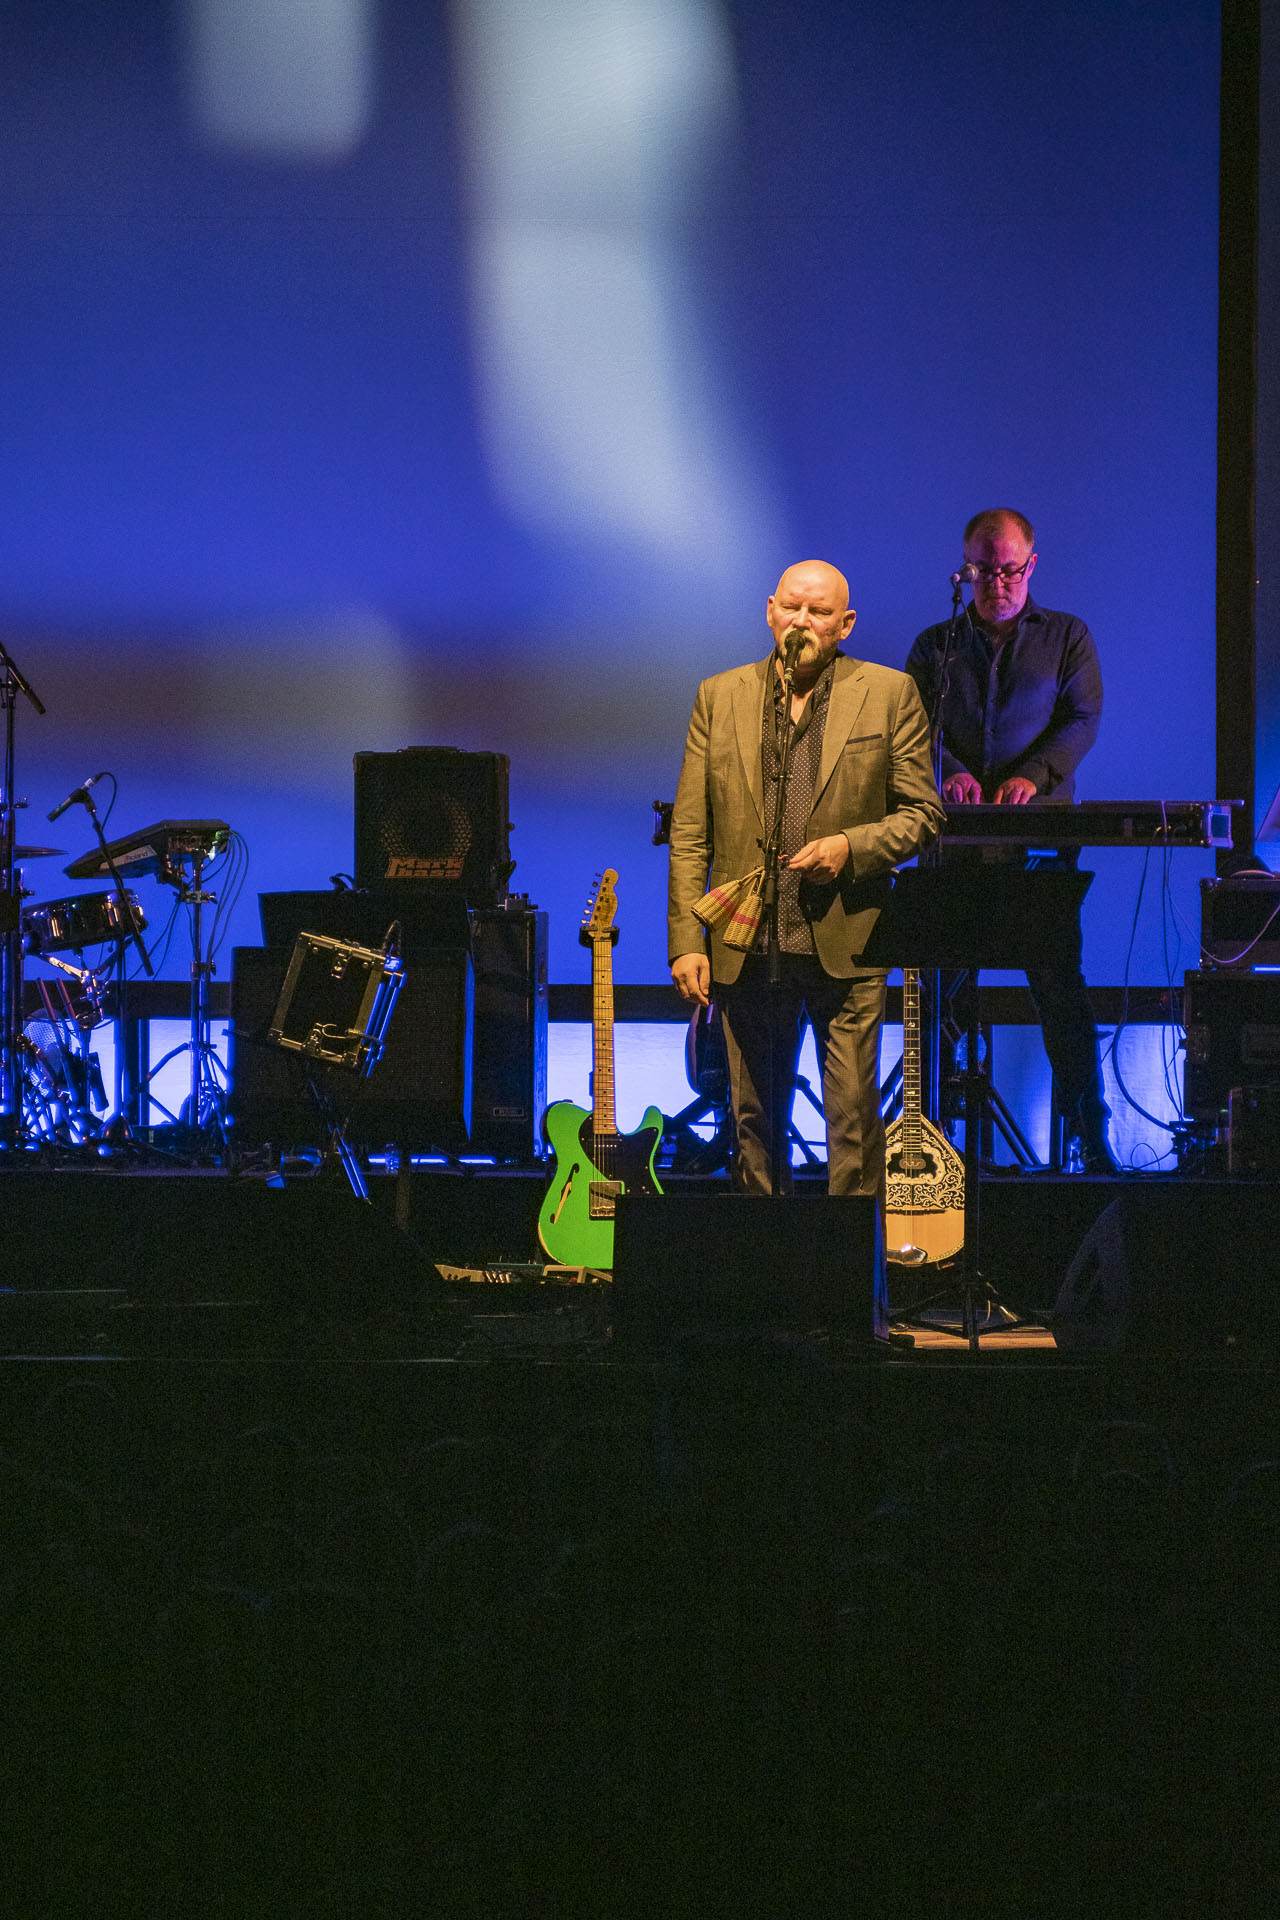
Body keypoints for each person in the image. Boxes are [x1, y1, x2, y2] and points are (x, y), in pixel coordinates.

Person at [667, 558, 945, 1200]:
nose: (802, 621)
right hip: (746, 944)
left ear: (844, 624)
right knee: (753, 1122)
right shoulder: (719, 695)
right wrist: (687, 939)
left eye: (819, 612)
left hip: (845, 939)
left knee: (852, 1125)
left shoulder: (889, 692)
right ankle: (767, 1281)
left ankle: (849, 1282)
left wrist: (850, 847)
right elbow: (690, 832)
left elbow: (924, 813)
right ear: (770, 610)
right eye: (792, 607)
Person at [904, 508, 1117, 1172]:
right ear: (965, 569)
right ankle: (934, 1140)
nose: (997, 583)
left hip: (1037, 848)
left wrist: (1033, 775)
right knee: (942, 995)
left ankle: (1088, 1133)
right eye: (984, 570)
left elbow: (1083, 718)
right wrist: (954, 773)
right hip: (955, 849)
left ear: (1032, 564)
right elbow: (910, 724)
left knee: (1059, 987)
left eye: (1009, 569)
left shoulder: (1067, 636)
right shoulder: (934, 646)